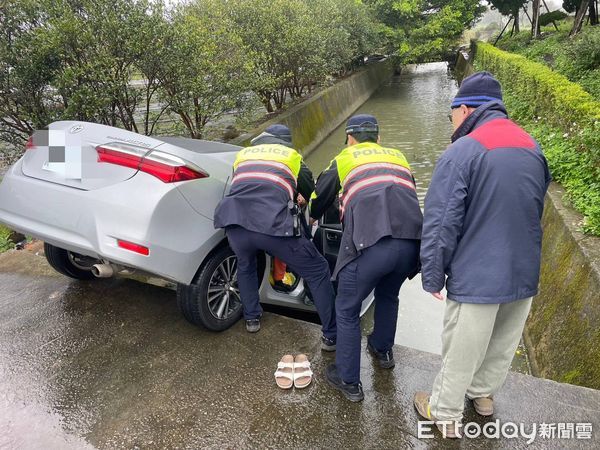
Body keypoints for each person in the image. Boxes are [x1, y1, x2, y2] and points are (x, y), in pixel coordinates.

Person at [414, 72, 551, 438]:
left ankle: (443, 412)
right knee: (503, 340)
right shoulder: (531, 146)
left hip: (478, 272)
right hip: (523, 269)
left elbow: (441, 222)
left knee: (463, 345)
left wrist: (433, 273)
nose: (453, 123)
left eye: (451, 116)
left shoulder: (465, 150)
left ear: (463, 109)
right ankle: (483, 395)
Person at [309, 114, 423, 402]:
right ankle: (382, 350)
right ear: (379, 138)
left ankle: (348, 380)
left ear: (350, 138)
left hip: (371, 244)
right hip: (411, 243)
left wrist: (310, 214)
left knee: (346, 307)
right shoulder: (398, 157)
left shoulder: (344, 158)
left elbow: (319, 197)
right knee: (388, 296)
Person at [213, 124, 336, 348]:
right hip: (274, 228)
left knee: (246, 266)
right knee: (318, 270)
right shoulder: (292, 156)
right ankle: (331, 334)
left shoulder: (243, 154)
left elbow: (242, 184)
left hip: (235, 224)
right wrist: (300, 197)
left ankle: (251, 318)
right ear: (285, 143)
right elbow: (308, 188)